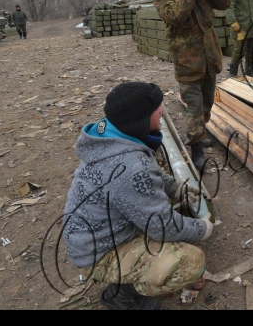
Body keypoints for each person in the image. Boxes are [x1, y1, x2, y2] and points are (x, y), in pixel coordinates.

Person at [63, 82, 213, 311]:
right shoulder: (129, 166)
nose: (162, 110)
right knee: (191, 262)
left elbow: (146, 176)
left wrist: (174, 188)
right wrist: (202, 228)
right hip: (97, 253)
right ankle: (122, 294)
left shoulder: (113, 139)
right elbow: (163, 227)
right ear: (139, 120)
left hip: (94, 235)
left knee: (161, 207)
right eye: (156, 108)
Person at [152, 0, 231, 171]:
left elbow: (225, 3)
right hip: (187, 62)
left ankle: (200, 133)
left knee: (207, 103)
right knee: (194, 106)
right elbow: (177, 15)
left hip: (209, 57)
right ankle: (196, 149)